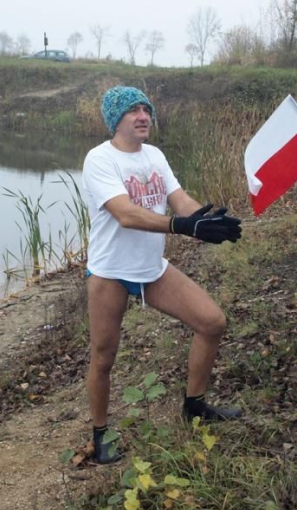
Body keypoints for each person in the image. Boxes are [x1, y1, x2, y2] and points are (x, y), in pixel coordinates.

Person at [82, 86, 243, 463]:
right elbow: (126, 213)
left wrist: (205, 219)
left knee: (212, 322)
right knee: (104, 357)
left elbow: (180, 200)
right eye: (133, 111)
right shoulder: (100, 159)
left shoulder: (154, 155)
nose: (143, 117)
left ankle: (195, 406)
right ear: (115, 120)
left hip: (152, 269)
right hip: (109, 272)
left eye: (146, 110)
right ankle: (101, 434)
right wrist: (181, 226)